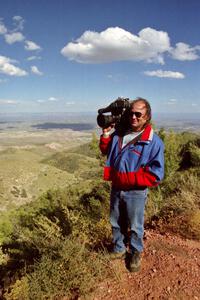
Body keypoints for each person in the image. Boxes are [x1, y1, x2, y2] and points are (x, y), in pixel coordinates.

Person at [99, 98, 164, 272]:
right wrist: (105, 134)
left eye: (138, 114)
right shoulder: (120, 133)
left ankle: (135, 252)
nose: (134, 117)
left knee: (136, 225)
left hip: (136, 191)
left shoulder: (153, 142)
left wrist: (129, 179)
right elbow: (106, 150)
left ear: (147, 116)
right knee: (115, 220)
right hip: (117, 187)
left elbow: (156, 175)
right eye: (131, 113)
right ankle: (119, 248)